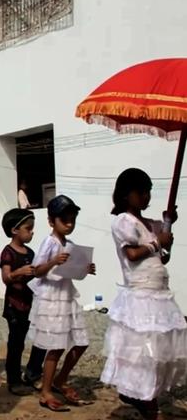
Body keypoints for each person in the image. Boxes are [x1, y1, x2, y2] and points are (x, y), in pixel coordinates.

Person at [101, 168, 187, 420]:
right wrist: (158, 242)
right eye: (141, 192)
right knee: (144, 352)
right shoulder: (123, 222)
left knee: (159, 351)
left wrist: (169, 221)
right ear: (126, 195)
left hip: (159, 295)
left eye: (149, 191)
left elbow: (160, 257)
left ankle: (146, 396)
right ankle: (145, 399)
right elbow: (133, 254)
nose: (146, 196)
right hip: (140, 298)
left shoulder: (149, 224)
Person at [28, 195, 95, 412]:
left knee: (81, 341)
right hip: (51, 298)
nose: (69, 224)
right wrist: (53, 262)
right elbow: (36, 270)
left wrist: (85, 268)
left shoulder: (71, 245)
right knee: (55, 346)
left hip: (67, 296)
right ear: (51, 221)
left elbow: (72, 270)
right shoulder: (49, 242)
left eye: (72, 220)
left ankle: (60, 379)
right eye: (64, 220)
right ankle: (45, 391)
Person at [0, 208, 46, 396]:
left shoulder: (30, 252)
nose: (32, 232)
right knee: (16, 343)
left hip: (29, 304)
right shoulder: (8, 252)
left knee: (33, 339)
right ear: (14, 230)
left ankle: (32, 374)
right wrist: (19, 272)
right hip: (14, 305)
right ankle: (14, 380)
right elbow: (6, 277)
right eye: (28, 228)